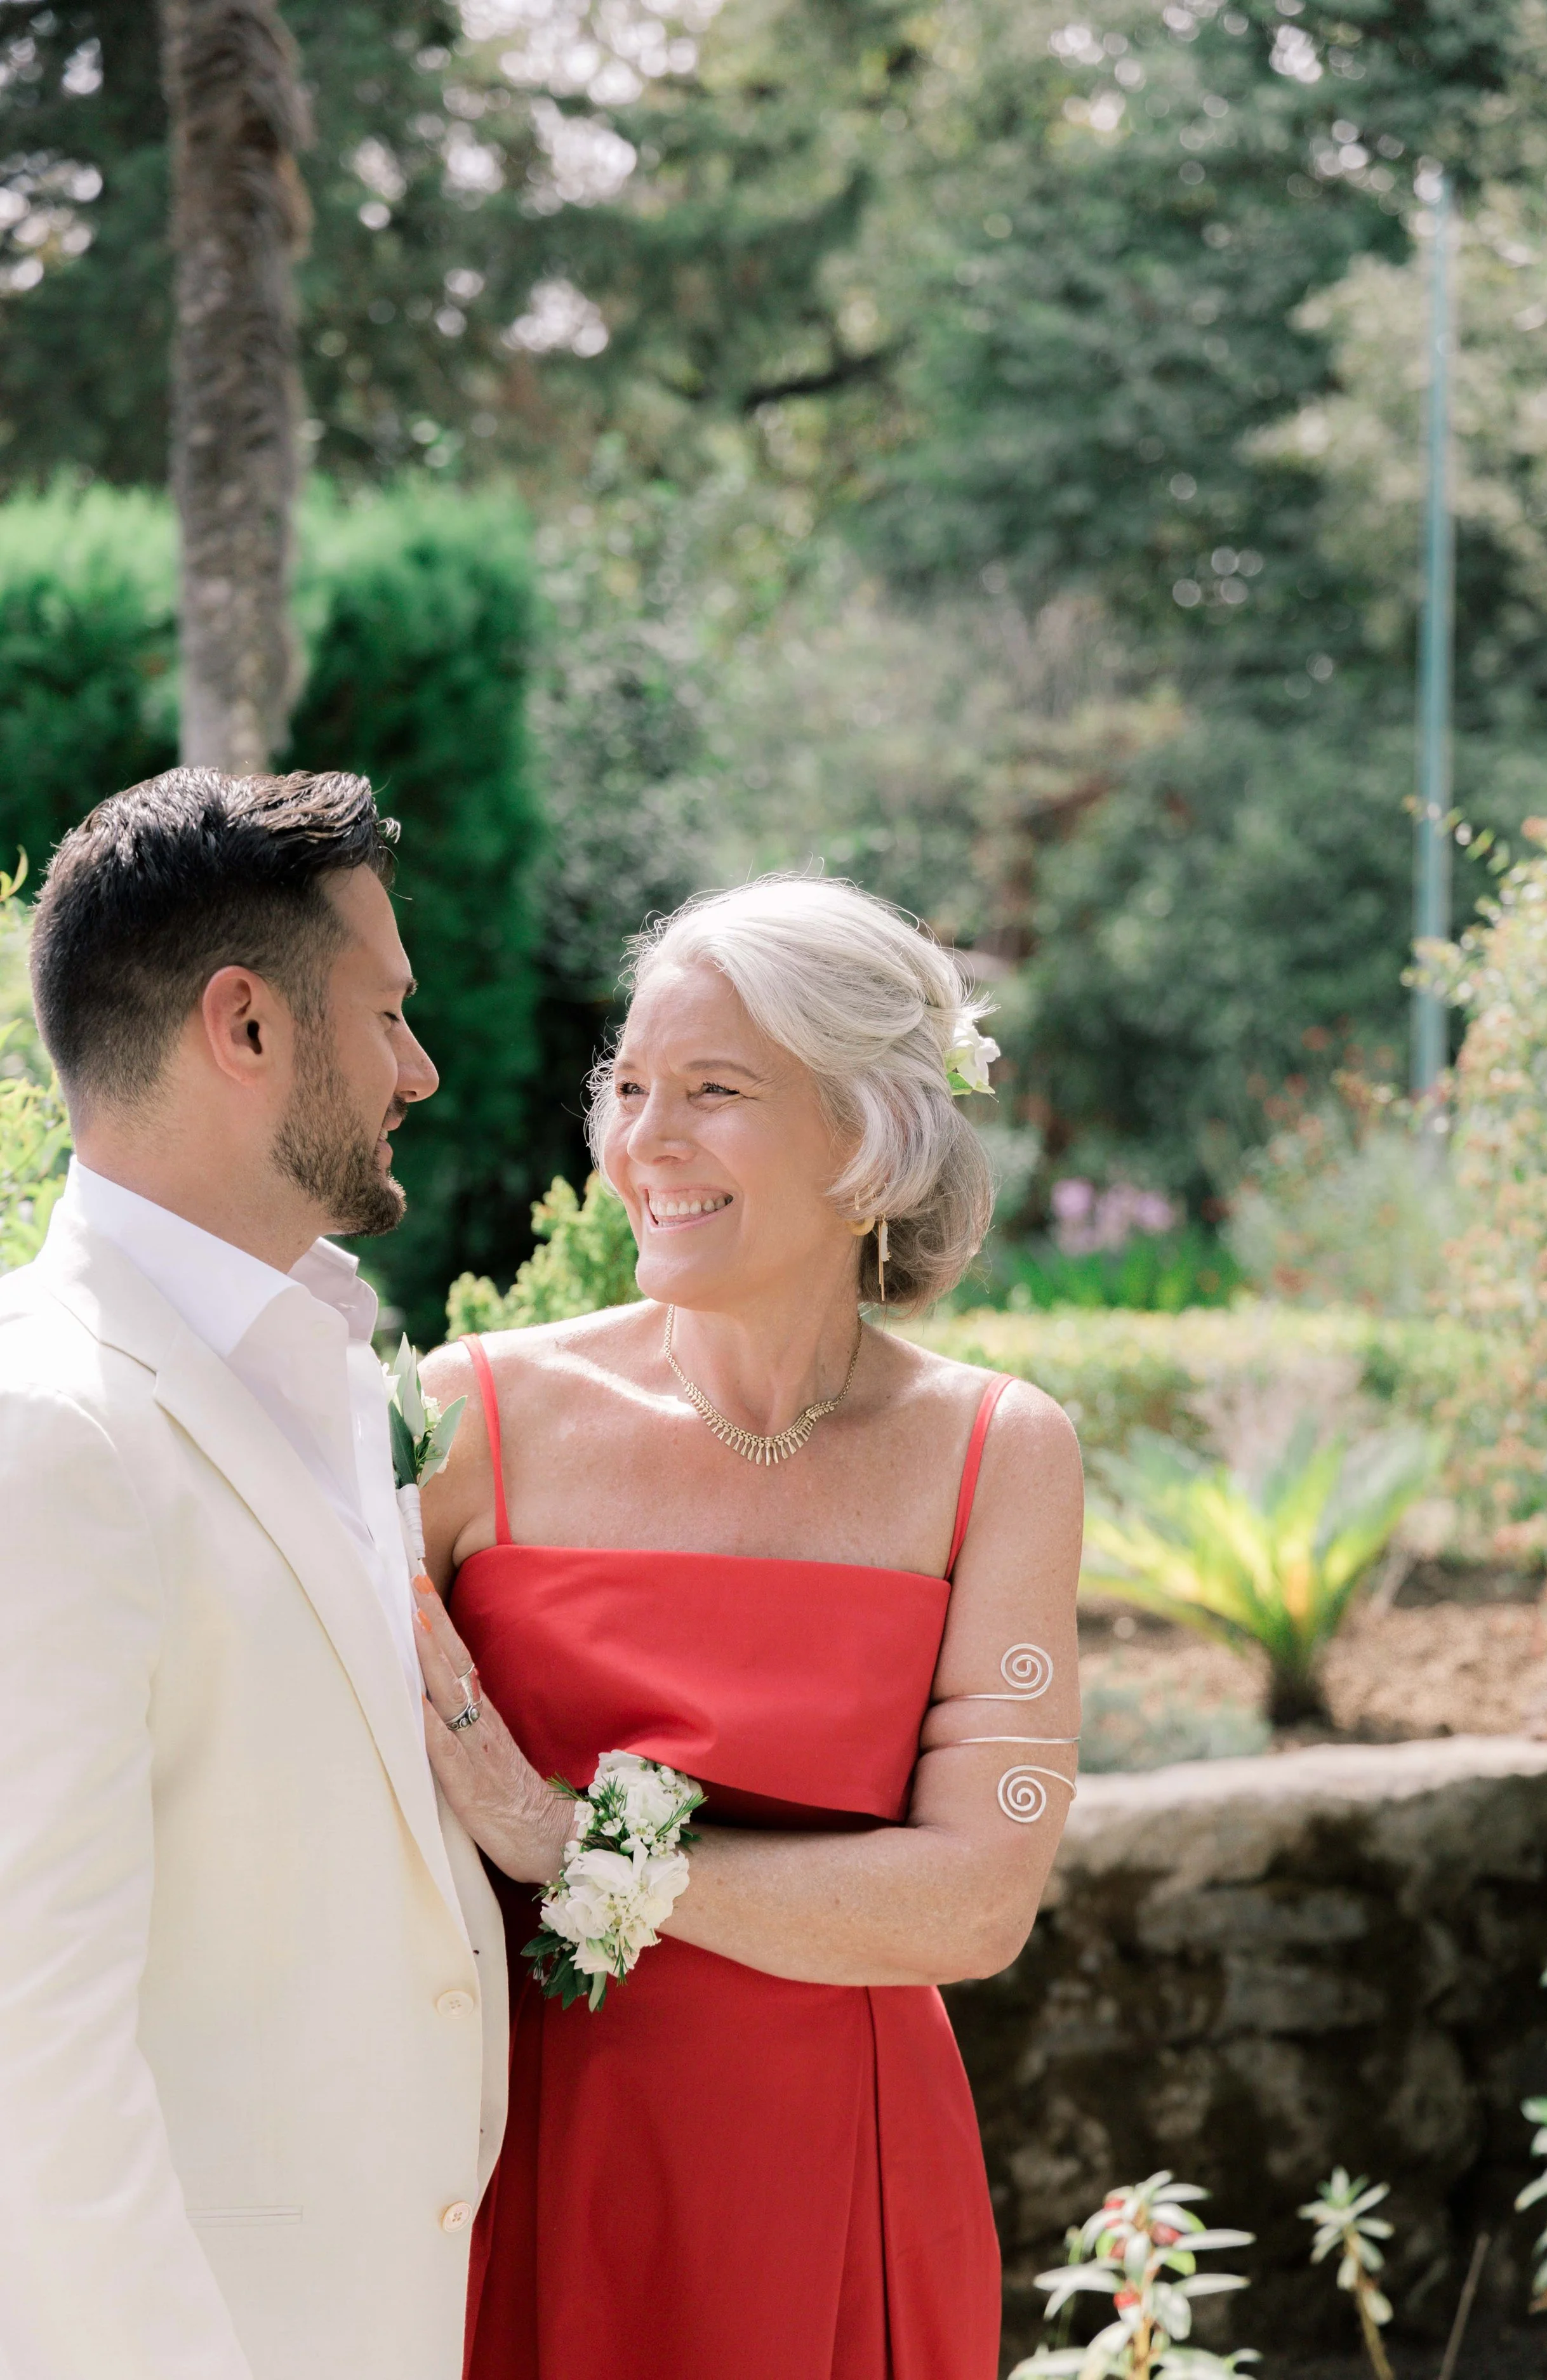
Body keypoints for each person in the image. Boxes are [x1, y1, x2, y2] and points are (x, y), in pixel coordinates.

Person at [414, 875, 1084, 2380]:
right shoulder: (471, 1420)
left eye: (712, 1091)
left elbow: (975, 1905)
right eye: (628, 1086)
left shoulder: (995, 1452)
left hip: (841, 2177)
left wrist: (560, 1842)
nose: (644, 1140)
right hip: (519, 2148)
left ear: (869, 1134)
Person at [0, 769, 508, 2380]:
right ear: (246, 1025)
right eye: (388, 1014)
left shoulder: (337, 1372)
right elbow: (31, 2053)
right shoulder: (47, 1429)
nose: (420, 1069)